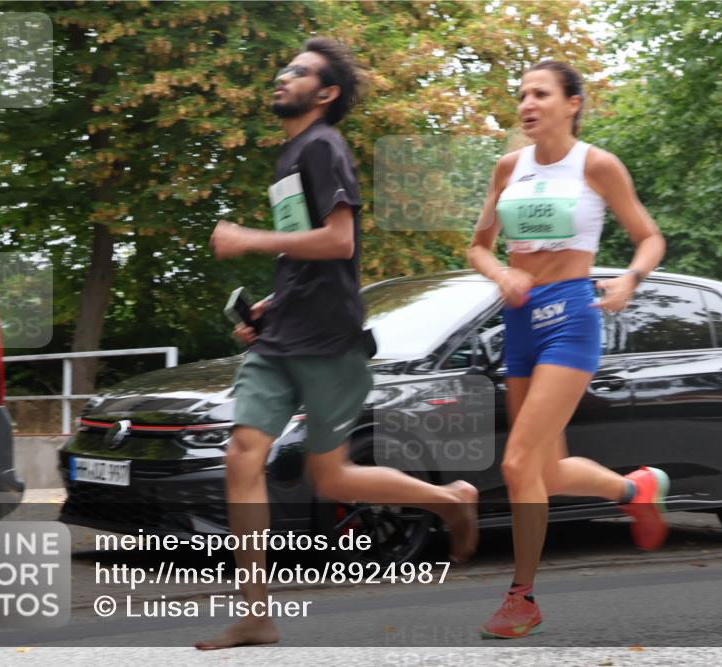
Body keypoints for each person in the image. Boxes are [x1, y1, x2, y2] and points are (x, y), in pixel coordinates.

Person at [196, 37, 478, 650]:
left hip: (328, 342)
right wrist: (270, 306)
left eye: (297, 72)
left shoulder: (323, 146)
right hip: (283, 337)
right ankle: (255, 611)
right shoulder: (291, 153)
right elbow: (308, 256)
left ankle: (448, 499)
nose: (281, 76)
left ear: (325, 93)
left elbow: (339, 242)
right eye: (284, 68)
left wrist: (249, 238)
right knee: (243, 453)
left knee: (334, 481)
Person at [467, 60, 669, 639]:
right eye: (522, 94)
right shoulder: (508, 167)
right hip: (520, 321)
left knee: (516, 463)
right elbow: (479, 247)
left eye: (541, 94)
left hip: (571, 320)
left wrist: (630, 278)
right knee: (547, 472)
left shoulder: (597, 165)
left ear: (572, 103)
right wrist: (500, 275)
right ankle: (637, 489)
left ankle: (521, 598)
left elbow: (649, 235)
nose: (527, 104)